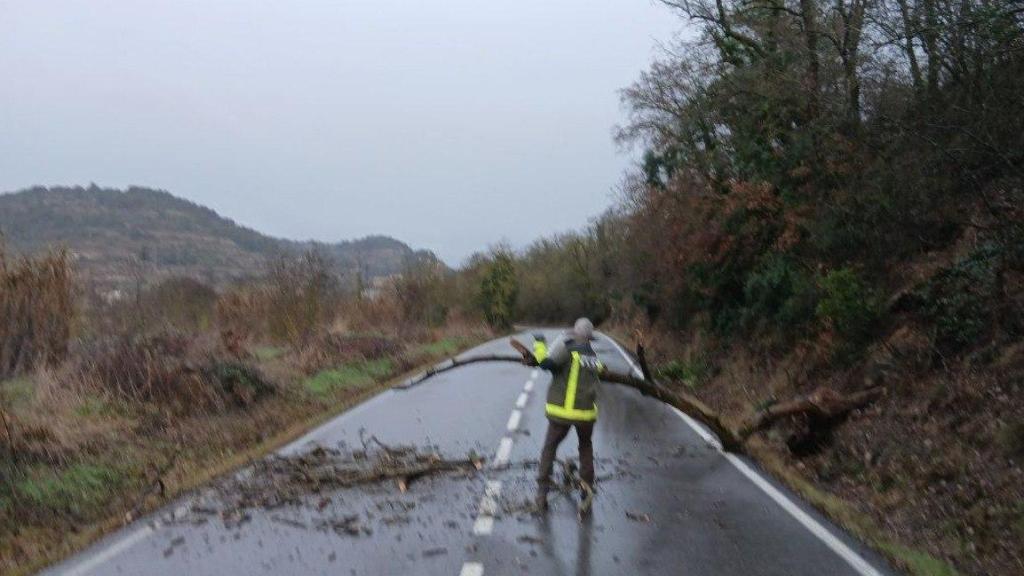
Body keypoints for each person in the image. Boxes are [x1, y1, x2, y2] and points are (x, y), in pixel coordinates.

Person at [532, 318, 605, 511]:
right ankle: (586, 490)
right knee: (585, 447)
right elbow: (600, 372)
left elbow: (545, 364)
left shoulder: (568, 349)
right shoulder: (593, 355)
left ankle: (541, 495)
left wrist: (539, 344)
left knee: (549, 448)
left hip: (562, 413)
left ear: (575, 333)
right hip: (586, 415)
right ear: (589, 337)